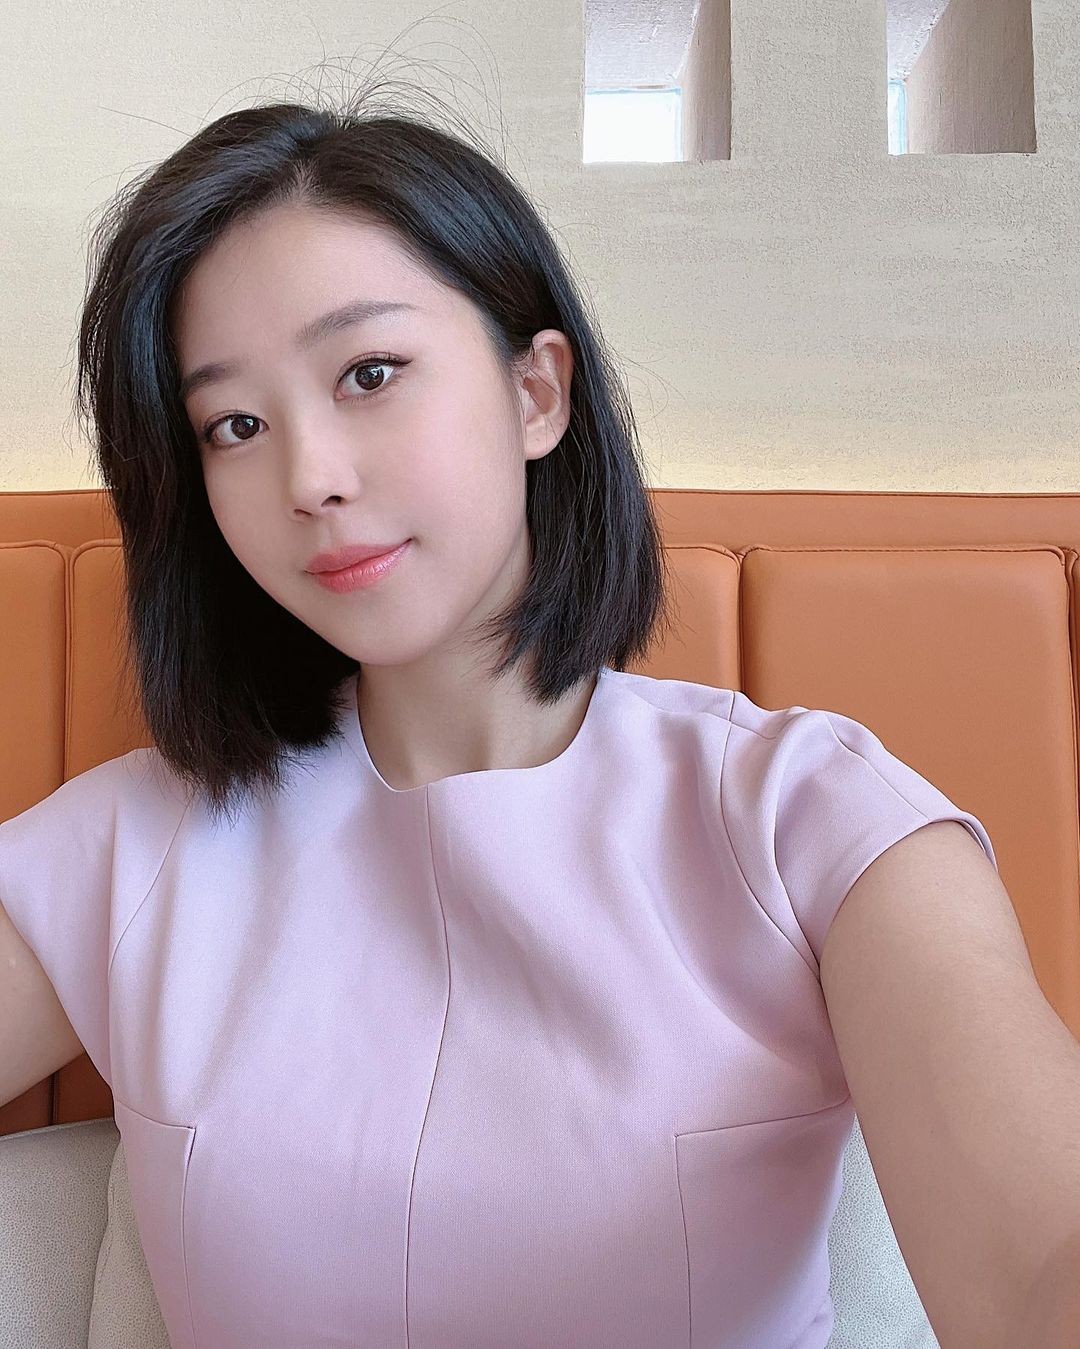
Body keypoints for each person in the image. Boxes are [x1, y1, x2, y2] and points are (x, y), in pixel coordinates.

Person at [0, 89, 998, 1349]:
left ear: (537, 392)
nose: (310, 478)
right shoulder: (133, 844)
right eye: (234, 424)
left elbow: (1036, 1252)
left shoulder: (809, 818)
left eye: (370, 373)